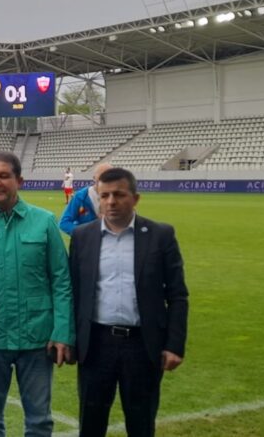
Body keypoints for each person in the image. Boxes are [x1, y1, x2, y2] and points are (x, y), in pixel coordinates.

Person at [0, 151, 74, 437]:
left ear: (19, 181)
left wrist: (62, 331)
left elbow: (61, 280)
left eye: (3, 176)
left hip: (37, 337)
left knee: (39, 421)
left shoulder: (44, 221)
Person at [69, 167, 189, 437]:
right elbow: (74, 292)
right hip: (96, 344)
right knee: (90, 422)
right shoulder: (82, 237)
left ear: (135, 198)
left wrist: (174, 344)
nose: (111, 202)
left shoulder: (160, 235)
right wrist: (70, 339)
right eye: (105, 196)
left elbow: (177, 294)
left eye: (119, 195)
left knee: (141, 422)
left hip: (142, 345)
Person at [59, 164, 112, 236]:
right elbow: (64, 223)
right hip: (87, 242)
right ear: (94, 178)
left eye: (110, 178)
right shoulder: (81, 196)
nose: (106, 181)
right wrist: (84, 233)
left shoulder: (120, 197)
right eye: (101, 177)